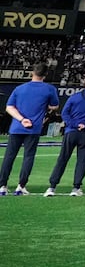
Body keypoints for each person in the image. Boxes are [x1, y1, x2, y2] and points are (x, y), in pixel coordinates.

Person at [1, 65, 60, 196]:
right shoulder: (49, 89)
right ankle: (21, 186)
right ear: (45, 75)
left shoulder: (19, 88)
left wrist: (22, 119)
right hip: (33, 128)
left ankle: (2, 186)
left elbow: (9, 107)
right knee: (28, 157)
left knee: (9, 156)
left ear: (32, 73)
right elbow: (55, 105)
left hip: (17, 127)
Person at [44, 74, 85, 197]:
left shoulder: (75, 97)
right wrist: (84, 126)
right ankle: (76, 188)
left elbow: (65, 113)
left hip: (71, 131)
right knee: (82, 160)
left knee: (62, 159)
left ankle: (52, 187)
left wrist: (75, 124)